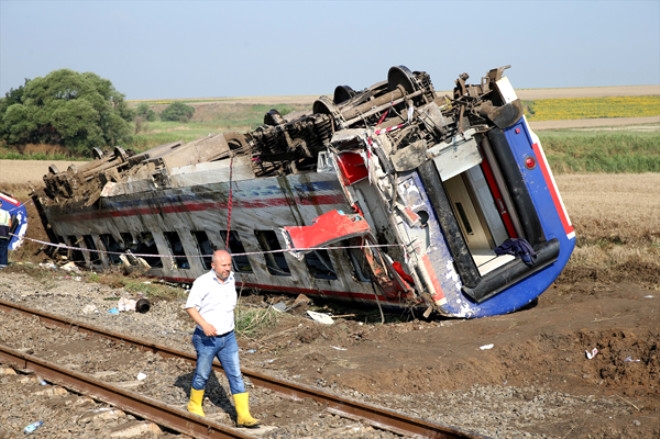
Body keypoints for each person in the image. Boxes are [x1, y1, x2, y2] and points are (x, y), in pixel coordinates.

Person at [184, 249, 260, 428]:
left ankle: (243, 415)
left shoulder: (230, 279)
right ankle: (194, 405)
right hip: (206, 338)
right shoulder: (202, 283)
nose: (228, 268)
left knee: (236, 375)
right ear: (213, 265)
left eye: (229, 265)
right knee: (203, 374)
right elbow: (190, 307)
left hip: (229, 337)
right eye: (224, 265)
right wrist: (205, 325)